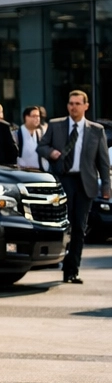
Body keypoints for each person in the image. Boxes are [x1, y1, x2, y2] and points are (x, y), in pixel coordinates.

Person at [40, 90, 112, 284]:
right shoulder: (56, 125)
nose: (74, 107)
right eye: (71, 103)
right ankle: (56, 259)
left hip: (85, 183)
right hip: (63, 180)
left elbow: (103, 162)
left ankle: (72, 270)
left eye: (78, 103)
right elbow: (41, 146)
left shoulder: (96, 130)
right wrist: (51, 152)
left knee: (79, 227)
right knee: (64, 225)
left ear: (86, 106)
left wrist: (106, 186)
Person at [17, 105, 47, 170]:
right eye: (34, 116)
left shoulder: (41, 133)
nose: (37, 119)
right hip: (22, 172)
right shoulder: (16, 134)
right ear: (26, 117)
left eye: (38, 116)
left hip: (40, 171)